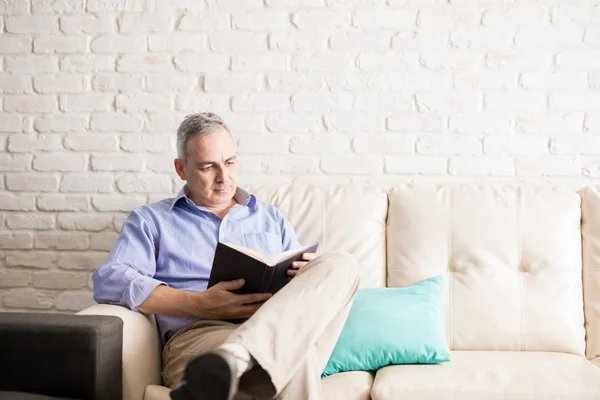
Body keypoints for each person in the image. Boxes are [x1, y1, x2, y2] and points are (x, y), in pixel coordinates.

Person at [92, 112, 360, 400]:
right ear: (181, 169)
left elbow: (301, 299)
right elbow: (110, 281)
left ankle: (241, 355)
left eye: (230, 162)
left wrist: (306, 275)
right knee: (293, 360)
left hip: (278, 327)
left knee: (342, 263)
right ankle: (242, 358)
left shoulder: (270, 217)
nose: (224, 177)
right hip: (200, 336)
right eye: (208, 167)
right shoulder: (152, 220)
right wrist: (201, 304)